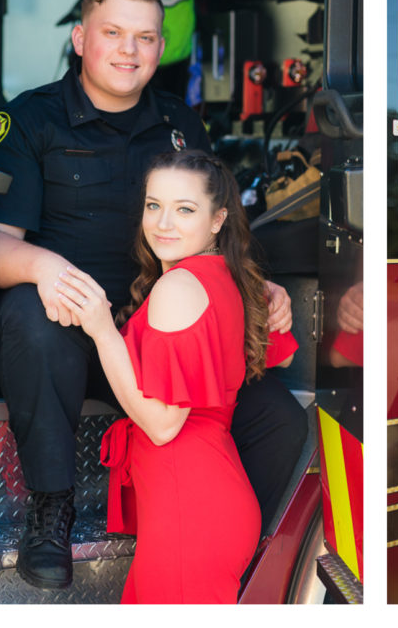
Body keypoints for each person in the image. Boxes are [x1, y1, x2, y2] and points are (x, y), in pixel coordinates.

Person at [0, 0, 306, 590]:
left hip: (154, 334)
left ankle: (238, 546)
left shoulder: (182, 125)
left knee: (280, 419)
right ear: (80, 39)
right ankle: (51, 512)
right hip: (66, 324)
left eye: (146, 38)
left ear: (161, 49)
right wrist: (46, 268)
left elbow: (217, 226)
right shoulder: (28, 120)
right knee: (28, 315)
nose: (129, 51)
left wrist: (260, 288)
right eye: (113, 33)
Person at [54, 150, 295, 602]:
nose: (163, 223)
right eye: (153, 205)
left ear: (218, 219)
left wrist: (102, 329)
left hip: (191, 510)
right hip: (205, 503)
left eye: (184, 209)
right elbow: (276, 359)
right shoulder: (229, 277)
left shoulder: (178, 287)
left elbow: (164, 425)